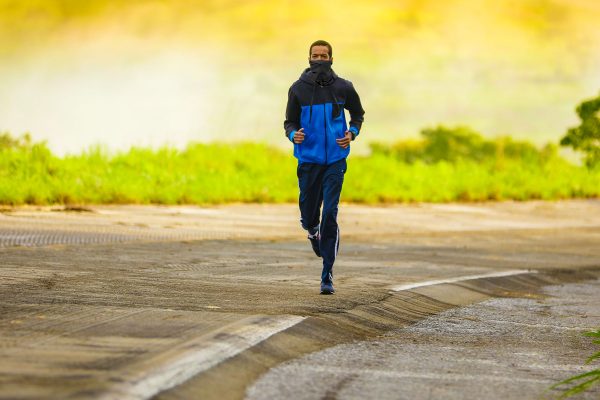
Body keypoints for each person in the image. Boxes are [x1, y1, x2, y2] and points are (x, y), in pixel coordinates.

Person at [284, 39, 365, 294]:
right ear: (309, 58)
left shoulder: (344, 87)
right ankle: (312, 230)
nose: (319, 59)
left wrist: (352, 133)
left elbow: (358, 114)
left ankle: (327, 273)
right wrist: (293, 134)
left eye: (324, 55)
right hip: (309, 160)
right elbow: (289, 122)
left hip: (335, 161)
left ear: (331, 58)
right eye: (315, 55)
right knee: (310, 214)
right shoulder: (297, 89)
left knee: (330, 212)